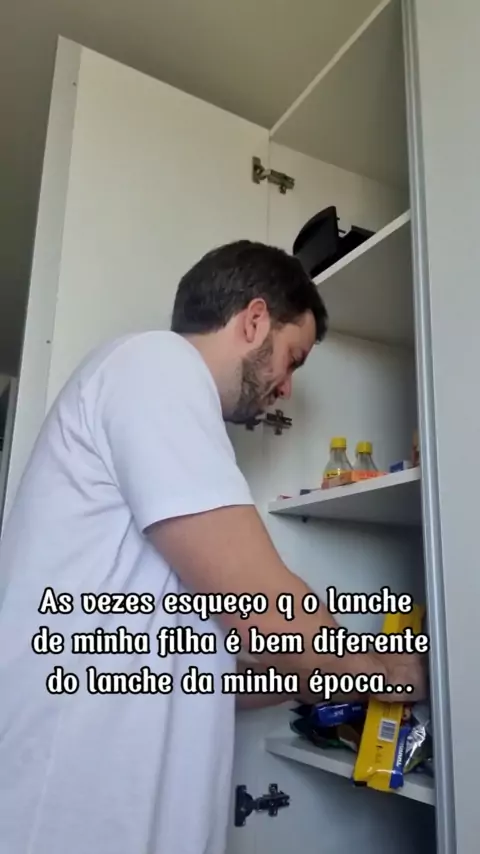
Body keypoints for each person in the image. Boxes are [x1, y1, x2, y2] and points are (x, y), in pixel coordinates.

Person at [0, 240, 425, 854]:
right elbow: (265, 611)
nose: (285, 388)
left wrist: (329, 678)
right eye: (292, 358)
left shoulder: (155, 400)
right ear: (254, 320)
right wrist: (392, 670)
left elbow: (195, 675)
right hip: (69, 820)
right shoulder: (155, 366)